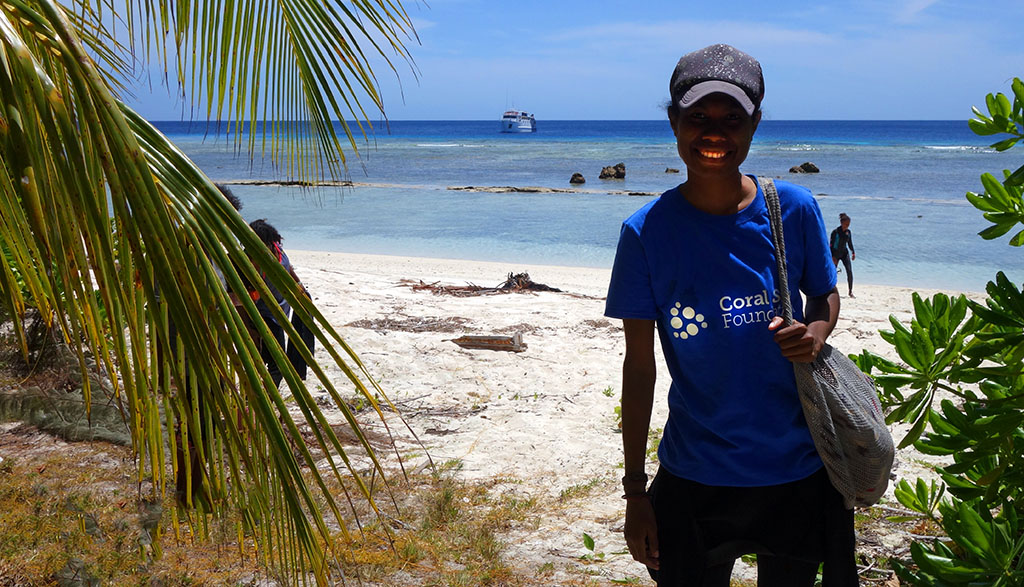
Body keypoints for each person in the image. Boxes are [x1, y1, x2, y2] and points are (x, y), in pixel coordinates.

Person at [604, 44, 856, 586]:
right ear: (674, 122)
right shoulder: (645, 232)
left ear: (755, 124)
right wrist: (635, 492)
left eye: (731, 118)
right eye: (698, 117)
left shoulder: (793, 207)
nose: (713, 133)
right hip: (695, 472)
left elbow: (824, 295)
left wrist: (814, 333)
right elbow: (639, 367)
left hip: (798, 469)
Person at [248, 218, 311, 386]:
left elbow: (288, 269)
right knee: (276, 365)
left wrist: (301, 289)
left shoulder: (279, 251)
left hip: (280, 314)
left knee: (270, 363)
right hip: (265, 317)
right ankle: (264, 400)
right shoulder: (255, 260)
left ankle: (259, 399)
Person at [830, 213, 856, 298]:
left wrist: (853, 252)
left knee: (849, 271)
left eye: (848, 224)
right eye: (846, 224)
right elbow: (831, 245)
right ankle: (831, 289)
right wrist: (832, 256)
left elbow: (849, 243)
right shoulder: (835, 232)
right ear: (841, 223)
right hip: (835, 254)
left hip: (844, 253)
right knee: (833, 272)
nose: (847, 226)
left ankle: (850, 291)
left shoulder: (848, 232)